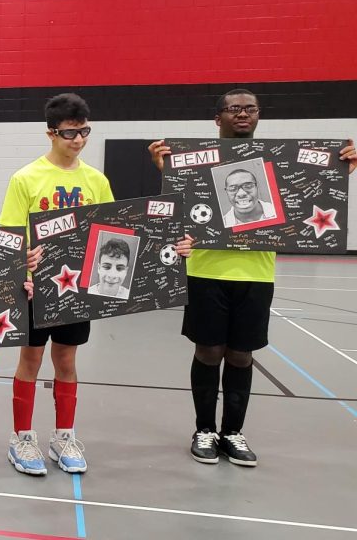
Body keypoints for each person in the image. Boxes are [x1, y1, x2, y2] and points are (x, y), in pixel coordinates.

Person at [148, 89, 357, 466]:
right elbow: (179, 206)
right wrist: (164, 169)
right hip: (205, 269)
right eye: (233, 109)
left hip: (257, 273)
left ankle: (233, 432)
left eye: (250, 109)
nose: (242, 114)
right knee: (209, 350)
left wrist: (340, 170)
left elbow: (315, 194)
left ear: (258, 116)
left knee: (242, 355)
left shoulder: (279, 164)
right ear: (218, 118)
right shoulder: (194, 162)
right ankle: (204, 430)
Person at [0, 93, 115, 476]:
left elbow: (111, 232)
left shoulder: (96, 180)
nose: (78, 140)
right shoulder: (26, 178)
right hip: (35, 289)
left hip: (76, 289)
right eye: (70, 133)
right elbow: (9, 235)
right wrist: (24, 271)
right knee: (30, 360)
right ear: (51, 133)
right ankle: (22, 438)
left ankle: (64, 436)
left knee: (66, 360)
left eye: (84, 132)